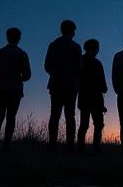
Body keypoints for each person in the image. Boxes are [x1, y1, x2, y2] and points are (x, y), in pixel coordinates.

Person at [0, 27, 31, 152]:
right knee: (11, 117)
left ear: (7, 37)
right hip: (15, 89)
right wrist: (19, 78)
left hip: (2, 88)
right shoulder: (22, 54)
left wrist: (1, 81)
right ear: (19, 38)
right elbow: (27, 75)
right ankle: (6, 145)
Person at [44, 19, 82, 153]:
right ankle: (70, 146)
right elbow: (79, 67)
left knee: (55, 114)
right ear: (72, 31)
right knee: (70, 116)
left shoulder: (53, 45)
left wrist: (56, 73)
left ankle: (52, 145)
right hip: (71, 85)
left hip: (56, 83)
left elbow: (47, 65)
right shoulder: (76, 47)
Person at [76, 38, 107, 154]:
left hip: (83, 97)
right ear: (96, 49)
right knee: (98, 124)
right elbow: (103, 86)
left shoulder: (80, 61)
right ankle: (96, 149)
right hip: (96, 99)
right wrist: (103, 88)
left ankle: (80, 148)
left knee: (84, 124)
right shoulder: (97, 64)